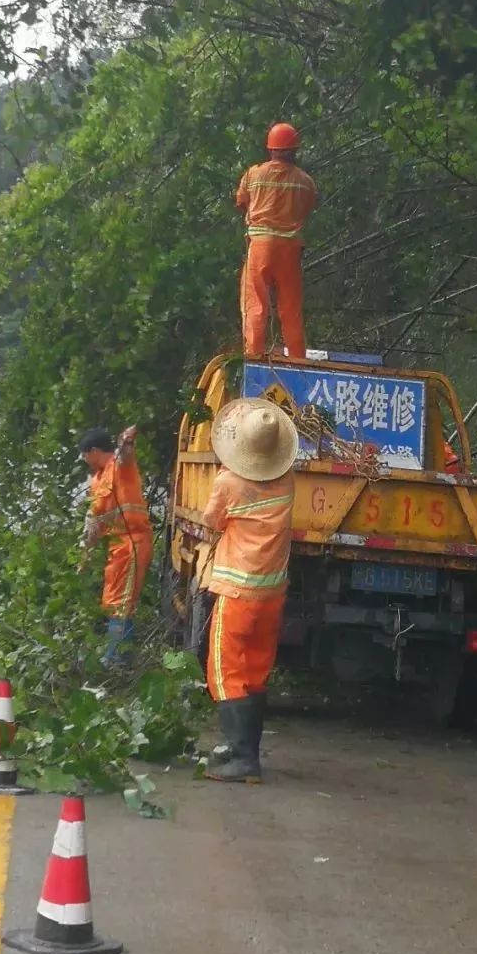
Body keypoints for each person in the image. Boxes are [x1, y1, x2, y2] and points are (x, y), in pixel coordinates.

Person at [199, 398, 299, 782]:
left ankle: (242, 758)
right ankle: (248, 755)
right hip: (272, 593)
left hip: (237, 592)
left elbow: (212, 522)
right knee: (256, 671)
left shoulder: (228, 482)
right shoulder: (287, 480)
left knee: (225, 671)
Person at [236, 122, 317, 359]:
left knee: (256, 305)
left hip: (260, 246)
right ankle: (298, 360)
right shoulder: (305, 181)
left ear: (270, 149)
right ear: (295, 150)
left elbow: (242, 202)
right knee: (290, 309)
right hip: (289, 250)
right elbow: (307, 208)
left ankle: (254, 357)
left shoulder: (253, 174)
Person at [79, 425, 153, 668]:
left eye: (84, 455)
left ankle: (118, 660)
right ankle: (116, 655)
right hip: (117, 548)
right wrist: (85, 550)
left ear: (93, 451)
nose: (84, 461)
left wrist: (126, 440)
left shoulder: (120, 467)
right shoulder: (98, 480)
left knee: (122, 604)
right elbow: (96, 519)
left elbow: (125, 455)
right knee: (113, 602)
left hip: (133, 543)